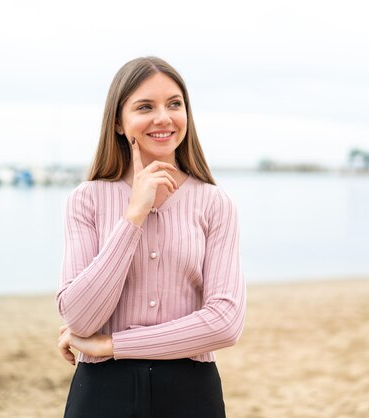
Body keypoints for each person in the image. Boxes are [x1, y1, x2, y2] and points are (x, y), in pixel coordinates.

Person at [56, 56, 246, 418]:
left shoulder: (215, 203)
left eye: (174, 104)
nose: (163, 118)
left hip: (191, 393)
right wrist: (133, 216)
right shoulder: (86, 200)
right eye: (145, 106)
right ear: (117, 121)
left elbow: (225, 322)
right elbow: (80, 318)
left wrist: (112, 345)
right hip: (101, 393)